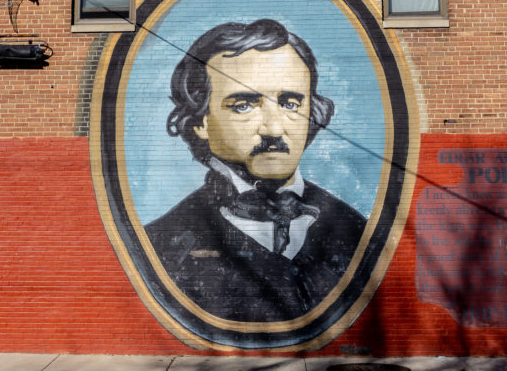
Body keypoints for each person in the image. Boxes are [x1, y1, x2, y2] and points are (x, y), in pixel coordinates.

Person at [145, 19, 367, 322]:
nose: (274, 128)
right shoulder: (158, 243)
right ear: (200, 121)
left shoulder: (360, 231)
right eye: (243, 106)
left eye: (291, 103)